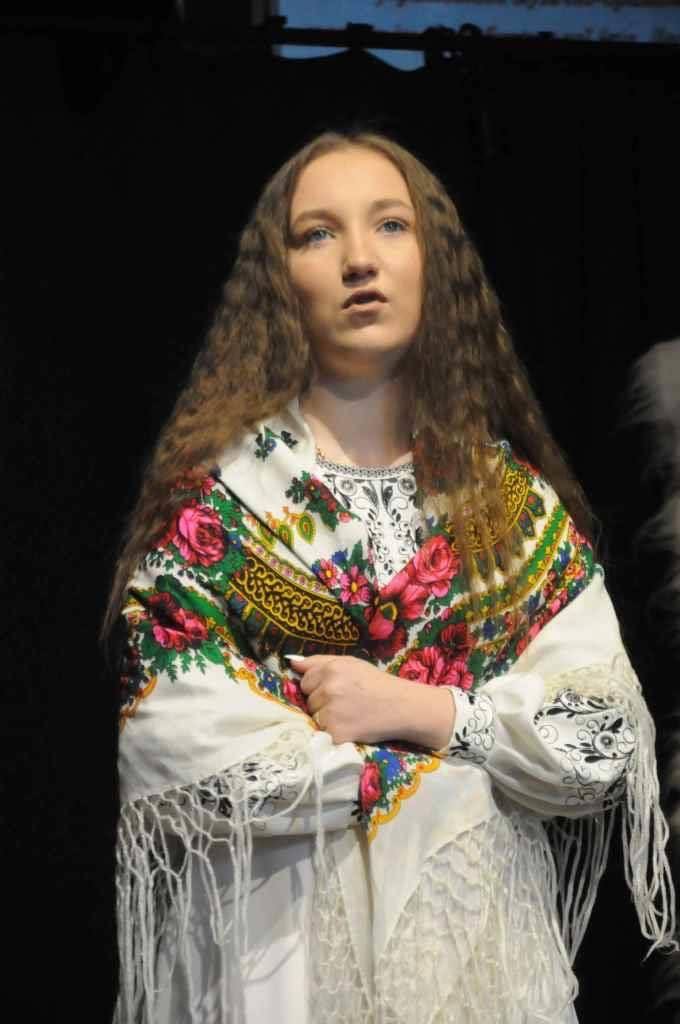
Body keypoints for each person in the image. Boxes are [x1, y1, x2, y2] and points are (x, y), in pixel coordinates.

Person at [104, 129, 677, 1024]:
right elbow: (175, 738)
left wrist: (419, 712)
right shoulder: (221, 502)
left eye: (391, 226)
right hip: (273, 951)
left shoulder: (509, 511)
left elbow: (600, 736)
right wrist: (445, 766)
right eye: (318, 233)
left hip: (472, 945)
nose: (360, 260)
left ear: (434, 263)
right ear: (279, 279)